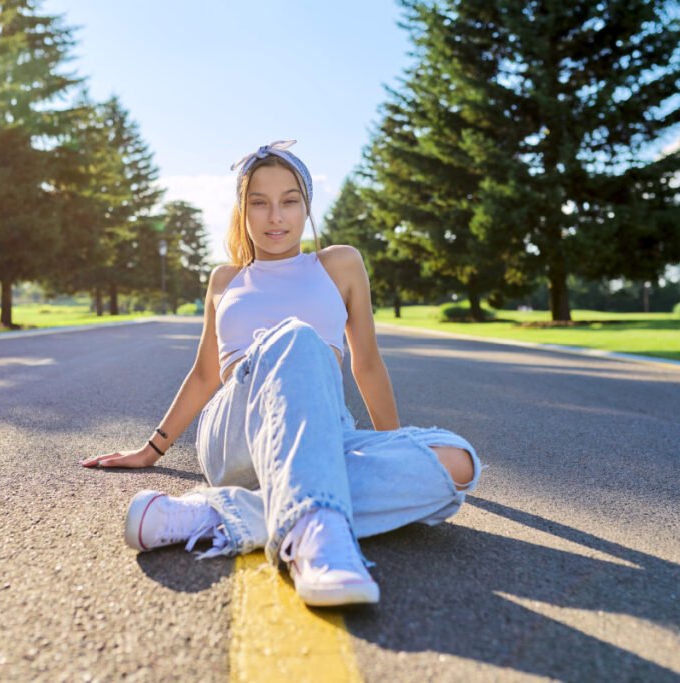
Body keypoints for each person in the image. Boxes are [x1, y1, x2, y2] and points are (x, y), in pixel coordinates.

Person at [81, 140, 481, 607]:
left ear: (307, 205)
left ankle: (214, 516)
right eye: (260, 203)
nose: (276, 216)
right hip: (236, 438)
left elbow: (367, 363)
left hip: (325, 434)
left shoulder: (340, 264)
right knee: (298, 339)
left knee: (457, 461)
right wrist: (151, 450)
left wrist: (393, 441)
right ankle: (318, 543)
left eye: (290, 201)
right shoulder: (225, 280)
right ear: (242, 210)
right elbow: (205, 375)